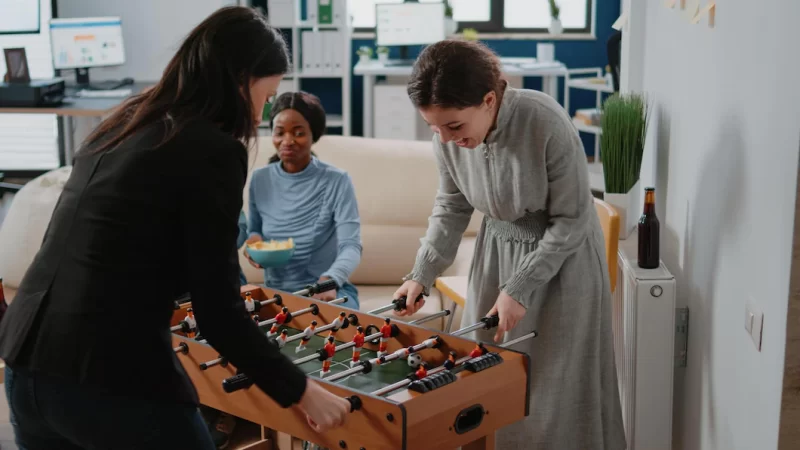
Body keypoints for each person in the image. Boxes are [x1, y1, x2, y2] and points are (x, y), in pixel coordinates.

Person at [0, 7, 350, 449]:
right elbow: (218, 314)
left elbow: (115, 246)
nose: (261, 114)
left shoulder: (123, 120)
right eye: (267, 96)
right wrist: (302, 392)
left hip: (24, 360)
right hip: (106, 376)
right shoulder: (215, 150)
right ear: (241, 79)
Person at [392, 40, 626, 450]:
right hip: (496, 257)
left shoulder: (545, 122)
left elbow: (572, 220)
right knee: (488, 386)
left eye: (454, 127)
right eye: (434, 128)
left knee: (556, 395)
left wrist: (520, 287)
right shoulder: (447, 138)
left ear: (488, 99)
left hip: (561, 263)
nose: (445, 140)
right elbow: (451, 205)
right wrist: (421, 273)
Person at [244, 91, 361, 310]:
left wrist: (330, 280)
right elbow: (255, 231)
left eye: (298, 133)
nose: (287, 141)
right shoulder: (260, 179)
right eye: (279, 133)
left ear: (313, 135)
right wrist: (252, 245)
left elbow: (351, 246)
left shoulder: (337, 180)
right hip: (275, 295)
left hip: (327, 292)